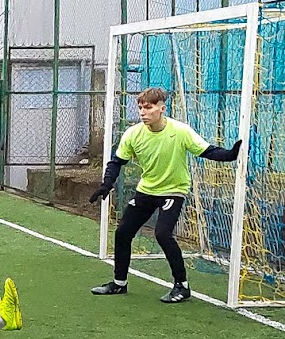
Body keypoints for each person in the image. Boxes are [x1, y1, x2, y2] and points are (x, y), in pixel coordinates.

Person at [89, 87, 241, 303]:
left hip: (174, 191)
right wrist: (106, 184)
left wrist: (231, 155)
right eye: (140, 107)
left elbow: (207, 151)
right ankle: (119, 283)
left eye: (148, 107)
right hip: (147, 190)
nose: (143, 112)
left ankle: (182, 285)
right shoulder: (133, 133)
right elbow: (117, 162)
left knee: (162, 234)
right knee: (123, 232)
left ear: (162, 109)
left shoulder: (180, 131)